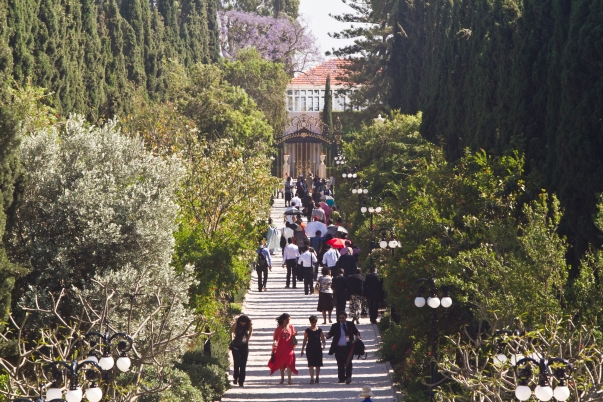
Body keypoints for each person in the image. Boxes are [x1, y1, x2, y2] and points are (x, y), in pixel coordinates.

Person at [326, 311, 361, 384]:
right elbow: (331, 334)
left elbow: (356, 332)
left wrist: (357, 336)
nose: (341, 319)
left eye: (343, 318)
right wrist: (327, 335)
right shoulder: (335, 326)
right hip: (338, 347)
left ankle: (348, 377)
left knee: (348, 362)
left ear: (346, 318)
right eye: (340, 318)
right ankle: (341, 378)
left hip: (348, 347)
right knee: (340, 363)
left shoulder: (350, 324)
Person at [268, 313, 299, 384]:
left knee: (289, 363)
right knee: (281, 364)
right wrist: (275, 343)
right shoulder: (279, 328)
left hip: (289, 348)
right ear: (283, 320)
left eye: (289, 319)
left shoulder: (291, 327)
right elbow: (275, 338)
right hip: (281, 348)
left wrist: (294, 335)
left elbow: (292, 335)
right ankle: (282, 379)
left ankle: (289, 379)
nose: (288, 321)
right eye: (287, 320)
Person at [300, 315, 326, 384]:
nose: (313, 324)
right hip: (310, 349)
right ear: (310, 322)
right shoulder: (307, 331)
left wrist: (324, 345)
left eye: (314, 322)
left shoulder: (319, 330)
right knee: (310, 364)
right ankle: (312, 378)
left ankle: (317, 377)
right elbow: (304, 340)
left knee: (318, 364)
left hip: (318, 348)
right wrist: (302, 349)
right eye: (312, 322)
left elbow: (323, 339)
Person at [230, 315, 253, 387]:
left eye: (244, 323)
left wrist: (247, 340)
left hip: (244, 346)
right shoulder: (236, 324)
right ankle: (236, 377)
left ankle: (241, 380)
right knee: (237, 362)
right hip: (236, 345)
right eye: (242, 322)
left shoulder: (249, 325)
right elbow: (231, 332)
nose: (243, 324)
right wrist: (232, 341)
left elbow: (251, 332)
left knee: (243, 364)